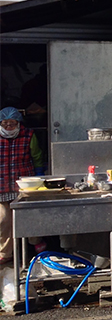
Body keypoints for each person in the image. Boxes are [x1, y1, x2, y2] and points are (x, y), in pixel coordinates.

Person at [0, 107, 46, 264]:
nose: (9, 127)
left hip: (24, 184)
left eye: (12, 124)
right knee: (4, 219)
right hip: (2, 185)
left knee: (28, 216)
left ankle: (36, 242)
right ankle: (5, 253)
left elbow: (37, 156)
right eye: (5, 124)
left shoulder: (28, 135)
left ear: (19, 123)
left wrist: (39, 174)